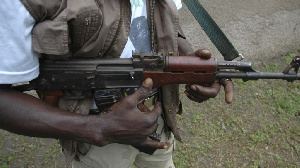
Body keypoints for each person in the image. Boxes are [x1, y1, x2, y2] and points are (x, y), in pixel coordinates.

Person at [0, 0, 234, 167]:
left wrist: (195, 66)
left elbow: (166, 20)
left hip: (155, 118)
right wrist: (98, 129)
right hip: (96, 142)